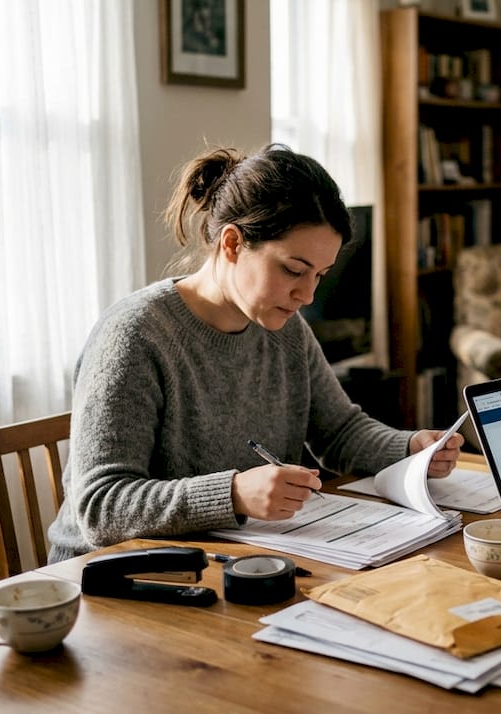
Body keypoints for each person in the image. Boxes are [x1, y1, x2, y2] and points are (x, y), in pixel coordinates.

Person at [48, 143, 462, 562]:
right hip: (105, 580)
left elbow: (337, 431)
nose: (307, 294)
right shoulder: (135, 336)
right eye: (294, 271)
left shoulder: (284, 328)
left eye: (320, 275)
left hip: (221, 559)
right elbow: (99, 508)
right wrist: (232, 493)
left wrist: (410, 448)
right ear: (232, 243)